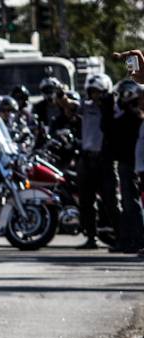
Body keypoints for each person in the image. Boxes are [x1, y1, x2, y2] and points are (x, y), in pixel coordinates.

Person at [65, 73, 121, 249]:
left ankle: (122, 236)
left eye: (98, 92)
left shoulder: (113, 109)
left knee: (111, 201)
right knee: (86, 201)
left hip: (105, 160)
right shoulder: (86, 107)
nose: (95, 95)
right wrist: (61, 95)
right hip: (87, 159)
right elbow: (69, 107)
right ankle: (91, 236)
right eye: (92, 92)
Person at [104, 79, 144, 252]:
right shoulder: (125, 115)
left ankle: (138, 240)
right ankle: (127, 240)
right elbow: (108, 129)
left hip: (133, 165)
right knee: (127, 204)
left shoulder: (135, 117)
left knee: (132, 204)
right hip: (127, 164)